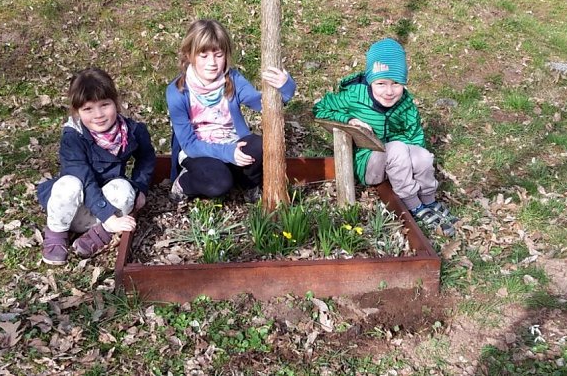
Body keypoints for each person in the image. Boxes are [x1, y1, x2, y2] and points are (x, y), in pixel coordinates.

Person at [313, 38, 457, 236]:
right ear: (371, 80)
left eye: (396, 83)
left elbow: (415, 137)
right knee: (397, 148)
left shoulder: (405, 104)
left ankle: (429, 199)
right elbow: (320, 109)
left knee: (422, 155)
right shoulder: (354, 96)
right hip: (368, 162)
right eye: (381, 83)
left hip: (397, 162)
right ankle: (413, 205)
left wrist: (413, 162)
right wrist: (349, 118)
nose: (389, 92)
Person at [166, 19, 296, 202]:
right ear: (189, 55)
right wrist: (227, 153)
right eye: (203, 56)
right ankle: (184, 184)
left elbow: (263, 104)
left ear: (226, 55)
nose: (212, 63)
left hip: (234, 143)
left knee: (259, 145)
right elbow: (189, 144)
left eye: (218, 55)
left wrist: (285, 86)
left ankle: (249, 185)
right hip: (199, 151)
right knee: (218, 183)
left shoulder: (233, 79)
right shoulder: (177, 91)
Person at [37, 68, 156, 265]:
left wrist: (141, 186)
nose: (98, 115)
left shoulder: (131, 131)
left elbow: (146, 157)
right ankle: (56, 234)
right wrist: (108, 217)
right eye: (88, 109)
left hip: (104, 207)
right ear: (77, 112)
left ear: (116, 103)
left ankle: (97, 235)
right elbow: (84, 180)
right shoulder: (73, 137)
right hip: (73, 208)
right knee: (69, 184)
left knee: (126, 189)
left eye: (104, 105)